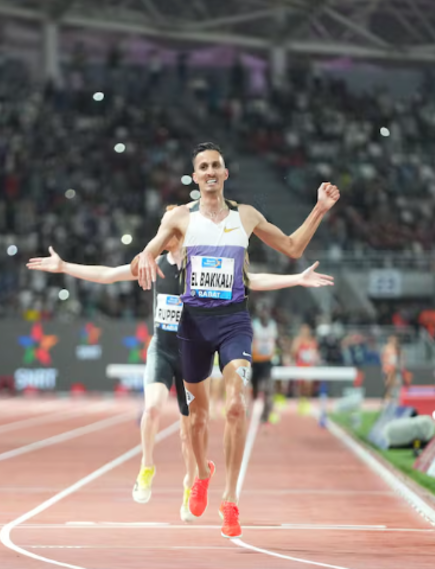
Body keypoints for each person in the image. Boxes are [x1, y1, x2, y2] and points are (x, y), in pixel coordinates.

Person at [25, 207, 334, 523]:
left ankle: (191, 484)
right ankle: (147, 466)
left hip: (191, 351)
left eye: (173, 227)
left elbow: (250, 280)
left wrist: (297, 279)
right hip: (162, 350)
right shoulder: (152, 263)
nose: (168, 231)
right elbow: (108, 274)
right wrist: (64, 266)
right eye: (165, 225)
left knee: (190, 433)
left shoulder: (199, 263)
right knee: (152, 409)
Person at [134, 141, 340, 538]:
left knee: (234, 406)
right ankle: (201, 474)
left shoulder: (245, 216)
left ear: (225, 173)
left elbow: (293, 247)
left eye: (216, 165)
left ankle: (229, 501)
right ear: (196, 177)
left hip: (233, 323)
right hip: (193, 327)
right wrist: (144, 256)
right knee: (196, 419)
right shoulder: (179, 217)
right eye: (204, 167)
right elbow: (153, 247)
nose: (211, 172)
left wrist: (318, 209)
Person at [251, 305, 279, 424]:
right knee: (255, 387)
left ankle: (266, 413)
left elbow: (275, 340)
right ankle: (253, 405)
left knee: (268, 387)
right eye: (262, 312)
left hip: (267, 360)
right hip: (256, 360)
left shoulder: (272, 326)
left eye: (266, 312)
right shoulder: (254, 325)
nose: (264, 314)